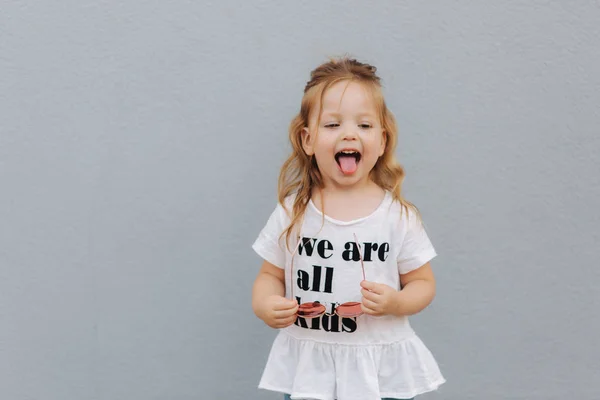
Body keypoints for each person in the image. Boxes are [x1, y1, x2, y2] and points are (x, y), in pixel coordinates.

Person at [251, 57, 445, 400]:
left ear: (383, 141)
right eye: (332, 125)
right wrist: (265, 304)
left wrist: (397, 302)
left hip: (378, 368)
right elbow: (270, 274)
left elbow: (423, 284)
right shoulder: (291, 211)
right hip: (311, 369)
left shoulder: (397, 216)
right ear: (307, 140)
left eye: (365, 126)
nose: (350, 133)